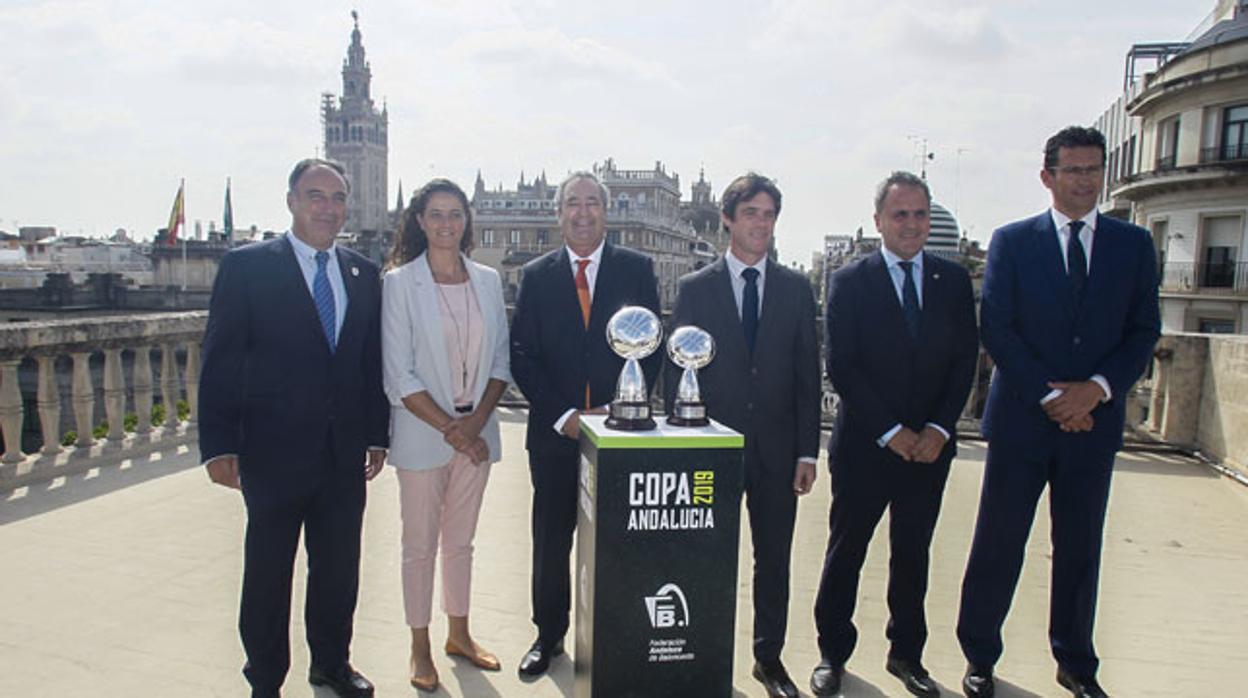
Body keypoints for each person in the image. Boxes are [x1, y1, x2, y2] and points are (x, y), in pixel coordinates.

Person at [956, 126, 1160, 698]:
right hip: (1023, 419)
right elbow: (997, 326)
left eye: (1094, 170)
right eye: (1073, 170)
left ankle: (1075, 663)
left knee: (1079, 547)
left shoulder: (1133, 245)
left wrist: (1094, 390)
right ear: (1048, 177)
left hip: (1092, 426)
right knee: (998, 542)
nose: (1086, 181)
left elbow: (1144, 331)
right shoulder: (1013, 242)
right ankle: (979, 656)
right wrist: (1052, 397)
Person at [198, 158, 388, 698]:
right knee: (267, 575)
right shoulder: (248, 267)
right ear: (291, 201)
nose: (328, 208)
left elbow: (368, 362)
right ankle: (264, 679)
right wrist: (218, 446)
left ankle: (331, 664)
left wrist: (377, 435)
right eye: (315, 196)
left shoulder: (361, 272)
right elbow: (221, 360)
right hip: (272, 454)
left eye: (337, 197)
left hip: (342, 455)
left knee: (337, 571)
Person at [810, 171, 978, 697]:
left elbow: (963, 360)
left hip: (929, 452)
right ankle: (831, 654)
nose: (911, 224)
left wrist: (936, 429)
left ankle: (907, 655)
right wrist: (890, 431)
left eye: (920, 214)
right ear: (879, 219)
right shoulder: (850, 281)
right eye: (900, 214)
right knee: (847, 553)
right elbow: (843, 363)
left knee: (913, 556)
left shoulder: (952, 283)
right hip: (866, 447)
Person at [664, 173, 820, 698]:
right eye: (750, 212)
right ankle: (704, 657)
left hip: (779, 454)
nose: (760, 224)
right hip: (713, 451)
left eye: (769, 214)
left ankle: (768, 660)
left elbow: (806, 374)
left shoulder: (797, 290)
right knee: (706, 560)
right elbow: (675, 374)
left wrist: (806, 451)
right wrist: (682, 449)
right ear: (727, 218)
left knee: (773, 561)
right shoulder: (695, 289)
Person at [509, 171, 661, 677]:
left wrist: (621, 410)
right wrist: (566, 417)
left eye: (592, 203)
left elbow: (651, 345)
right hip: (557, 437)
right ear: (558, 214)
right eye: (572, 203)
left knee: (617, 544)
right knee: (552, 541)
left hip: (620, 438)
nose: (582, 212)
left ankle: (616, 636)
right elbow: (523, 356)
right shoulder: (536, 275)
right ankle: (548, 635)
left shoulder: (636, 270)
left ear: (606, 211)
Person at [380, 178, 512, 692]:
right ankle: (420, 645)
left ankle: (459, 633)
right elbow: (399, 375)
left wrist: (475, 423)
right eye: (435, 214)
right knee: (419, 546)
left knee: (461, 542)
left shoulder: (486, 281)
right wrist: (455, 431)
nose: (445, 224)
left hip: (476, 430)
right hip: (421, 434)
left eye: (455, 214)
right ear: (419, 220)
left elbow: (499, 360)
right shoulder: (398, 283)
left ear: (466, 221)